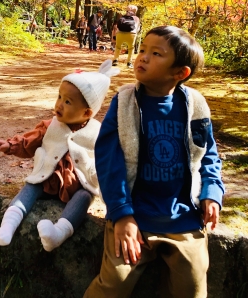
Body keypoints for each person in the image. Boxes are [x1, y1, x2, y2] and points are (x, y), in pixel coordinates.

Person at [84, 25, 225, 298]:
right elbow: (108, 159)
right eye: (143, 49)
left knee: (193, 289)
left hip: (183, 219)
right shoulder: (124, 102)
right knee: (112, 286)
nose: (143, 57)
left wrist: (211, 193)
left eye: (156, 53)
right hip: (135, 216)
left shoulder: (194, 104)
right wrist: (122, 215)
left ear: (179, 73)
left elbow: (207, 153)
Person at [0, 59, 120, 251]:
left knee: (85, 197)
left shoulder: (97, 133)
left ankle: (58, 233)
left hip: (78, 185)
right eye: (59, 97)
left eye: (67, 102)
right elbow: (29, 141)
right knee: (31, 186)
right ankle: (9, 223)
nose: (59, 104)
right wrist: (10, 145)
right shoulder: (50, 126)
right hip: (47, 180)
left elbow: (104, 161)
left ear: (87, 112)